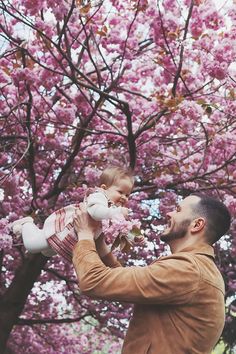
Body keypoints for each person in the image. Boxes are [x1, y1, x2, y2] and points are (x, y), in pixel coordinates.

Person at [72, 194, 231, 354]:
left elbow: (93, 280)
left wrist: (85, 234)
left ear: (196, 225)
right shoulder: (196, 269)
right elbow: (127, 283)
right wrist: (100, 243)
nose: (169, 214)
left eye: (178, 210)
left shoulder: (187, 269)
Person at [11, 166, 142, 262]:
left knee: (47, 252)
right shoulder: (99, 197)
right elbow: (95, 213)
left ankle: (38, 234)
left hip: (73, 236)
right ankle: (27, 223)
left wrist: (134, 236)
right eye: (120, 192)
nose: (124, 197)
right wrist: (117, 212)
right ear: (104, 188)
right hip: (66, 228)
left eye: (127, 195)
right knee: (33, 246)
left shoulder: (111, 210)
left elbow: (121, 228)